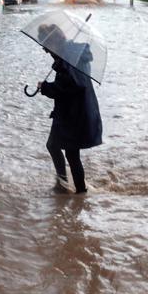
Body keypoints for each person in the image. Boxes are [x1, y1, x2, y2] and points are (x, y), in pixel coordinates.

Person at [36, 24, 103, 194]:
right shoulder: (70, 54)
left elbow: (72, 85)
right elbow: (70, 84)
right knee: (55, 146)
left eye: (45, 45)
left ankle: (78, 191)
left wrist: (45, 88)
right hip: (71, 111)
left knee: (69, 153)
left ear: (53, 42)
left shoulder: (68, 58)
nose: (45, 50)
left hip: (75, 114)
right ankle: (66, 186)